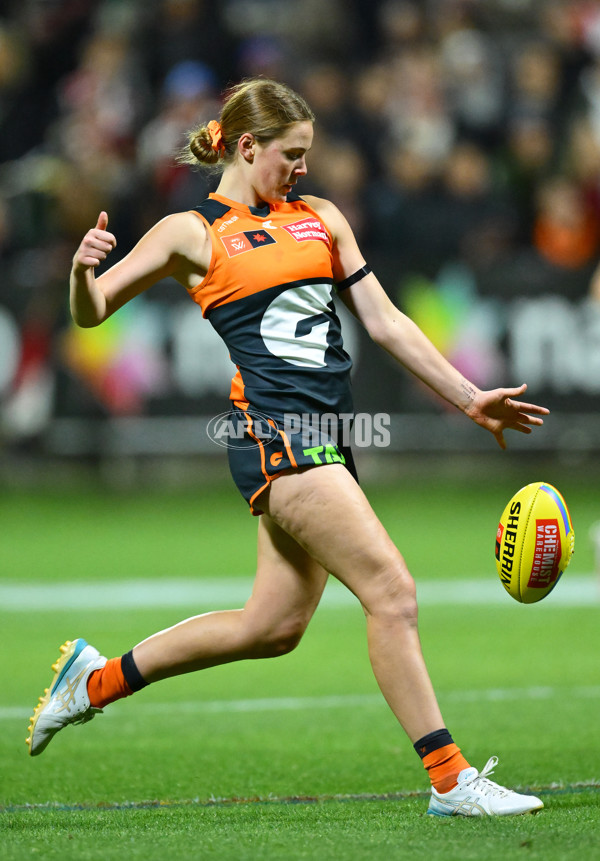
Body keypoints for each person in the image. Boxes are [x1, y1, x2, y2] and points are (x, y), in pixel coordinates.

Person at [27, 78, 549, 817]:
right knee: (392, 593)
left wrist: (469, 398)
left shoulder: (321, 217)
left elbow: (387, 320)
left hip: (328, 434)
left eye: (306, 156)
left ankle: (94, 679)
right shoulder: (192, 231)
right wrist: (82, 272)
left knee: (271, 627)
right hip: (276, 432)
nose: (301, 169)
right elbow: (94, 312)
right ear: (247, 147)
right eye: (290, 155)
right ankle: (450, 778)